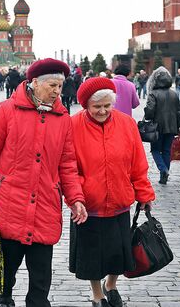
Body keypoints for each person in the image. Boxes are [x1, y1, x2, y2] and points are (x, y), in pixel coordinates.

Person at [0, 58, 88, 307]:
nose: (57, 91)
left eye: (60, 86)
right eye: (52, 85)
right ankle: (4, 298)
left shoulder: (63, 119)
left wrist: (76, 199)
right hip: (10, 203)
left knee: (40, 279)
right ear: (34, 82)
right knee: (7, 269)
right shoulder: (6, 110)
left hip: (45, 205)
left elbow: (68, 164)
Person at [70, 77, 155, 307]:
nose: (103, 111)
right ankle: (98, 295)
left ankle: (112, 284)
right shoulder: (73, 126)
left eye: (107, 106)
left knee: (119, 252)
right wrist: (77, 196)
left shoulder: (127, 124)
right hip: (89, 205)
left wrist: (144, 193)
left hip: (119, 201)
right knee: (92, 257)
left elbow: (138, 163)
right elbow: (68, 168)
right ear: (86, 105)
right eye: (97, 107)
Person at [144, 67, 180, 185]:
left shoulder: (153, 94)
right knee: (166, 151)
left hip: (157, 127)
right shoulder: (174, 94)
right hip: (171, 127)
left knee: (155, 150)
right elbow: (179, 113)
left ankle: (163, 170)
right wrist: (177, 126)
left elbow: (150, 112)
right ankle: (164, 175)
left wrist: (147, 115)